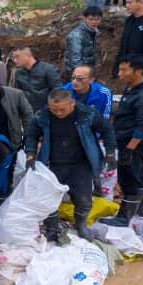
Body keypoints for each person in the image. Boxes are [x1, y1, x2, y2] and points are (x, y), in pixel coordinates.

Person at [24, 89, 116, 242]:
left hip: (80, 164)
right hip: (52, 164)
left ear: (72, 103)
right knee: (49, 199)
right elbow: (32, 136)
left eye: (62, 109)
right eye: (54, 110)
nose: (58, 113)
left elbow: (107, 130)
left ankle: (81, 225)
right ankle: (52, 227)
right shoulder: (43, 116)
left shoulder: (87, 114)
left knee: (83, 200)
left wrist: (110, 153)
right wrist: (31, 155)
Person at [100, 55, 143, 227]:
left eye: (124, 70)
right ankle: (141, 210)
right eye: (120, 69)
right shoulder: (132, 90)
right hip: (124, 141)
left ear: (138, 71)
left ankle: (124, 217)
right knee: (137, 174)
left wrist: (129, 150)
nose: (120, 74)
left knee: (129, 178)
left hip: (132, 143)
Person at [10, 46, 59, 113]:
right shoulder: (18, 72)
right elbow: (17, 92)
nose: (15, 60)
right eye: (14, 58)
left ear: (28, 56)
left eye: (17, 57)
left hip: (46, 110)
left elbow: (58, 91)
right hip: (26, 111)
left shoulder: (49, 69)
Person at [63, 7, 102, 80]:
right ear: (84, 19)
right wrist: (82, 77)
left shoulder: (93, 32)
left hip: (86, 71)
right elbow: (75, 59)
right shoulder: (77, 35)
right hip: (76, 75)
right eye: (90, 19)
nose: (94, 22)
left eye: (97, 19)